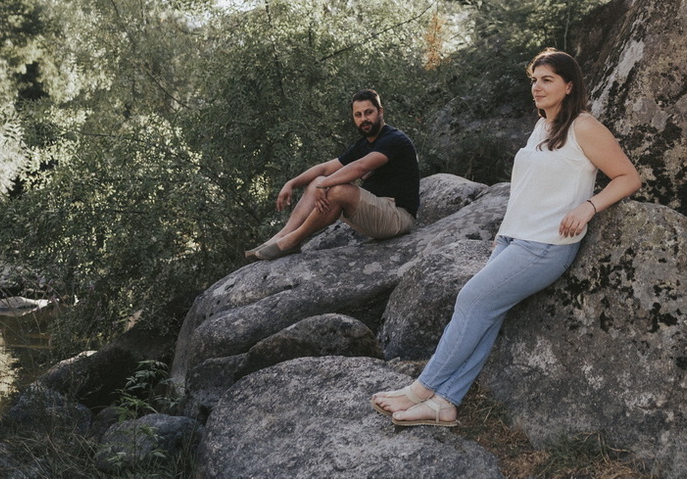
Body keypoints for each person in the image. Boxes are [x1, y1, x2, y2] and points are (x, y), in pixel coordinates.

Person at [371, 48, 641, 426]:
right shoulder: (542, 126)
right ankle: (444, 403)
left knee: (471, 299)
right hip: (515, 239)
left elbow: (629, 177)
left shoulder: (584, 126)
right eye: (534, 80)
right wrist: (502, 235)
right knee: (487, 312)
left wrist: (588, 208)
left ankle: (420, 390)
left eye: (547, 80)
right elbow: (526, 190)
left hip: (547, 245)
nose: (537, 87)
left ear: (569, 86)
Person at [245, 89, 420, 261]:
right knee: (318, 180)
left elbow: (360, 167)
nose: (363, 119)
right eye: (358, 115)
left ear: (380, 112)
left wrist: (325, 184)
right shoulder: (363, 145)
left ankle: (292, 241)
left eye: (368, 112)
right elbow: (325, 169)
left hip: (398, 217)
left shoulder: (393, 139)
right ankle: (281, 236)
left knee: (337, 190)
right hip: (377, 213)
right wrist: (292, 183)